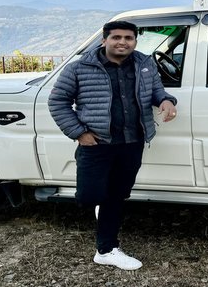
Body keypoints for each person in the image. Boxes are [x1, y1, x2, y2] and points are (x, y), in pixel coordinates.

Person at [48, 20, 177, 270]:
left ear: (135, 41)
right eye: (116, 37)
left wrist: (166, 101)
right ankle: (101, 204)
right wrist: (79, 133)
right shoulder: (79, 68)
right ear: (104, 40)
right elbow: (58, 102)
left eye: (128, 38)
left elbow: (157, 91)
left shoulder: (145, 63)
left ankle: (106, 250)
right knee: (88, 196)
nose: (122, 42)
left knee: (116, 196)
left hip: (132, 142)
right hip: (96, 143)